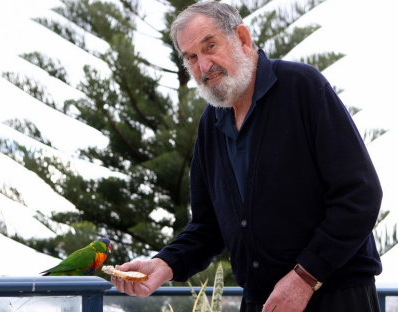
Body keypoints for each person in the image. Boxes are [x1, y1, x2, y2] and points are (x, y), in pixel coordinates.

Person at [111, 2, 383, 311]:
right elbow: (207, 226)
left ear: (242, 37)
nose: (203, 66)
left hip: (337, 296)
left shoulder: (302, 87)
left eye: (209, 46)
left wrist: (304, 278)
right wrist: (165, 263)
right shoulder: (211, 124)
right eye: (191, 57)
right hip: (261, 301)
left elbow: (360, 196)